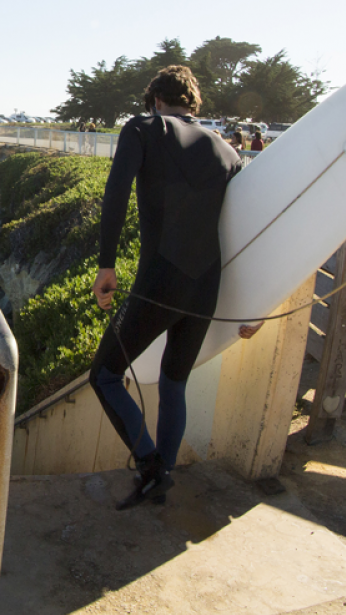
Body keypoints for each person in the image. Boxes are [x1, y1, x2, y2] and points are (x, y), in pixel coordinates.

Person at [89, 66, 247, 510]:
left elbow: (116, 193)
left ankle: (150, 465)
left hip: (161, 280)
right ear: (191, 102)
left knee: (104, 375)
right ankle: (165, 473)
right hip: (206, 287)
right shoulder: (228, 151)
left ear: (156, 99)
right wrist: (250, 307)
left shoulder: (143, 129)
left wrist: (106, 263)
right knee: (174, 382)